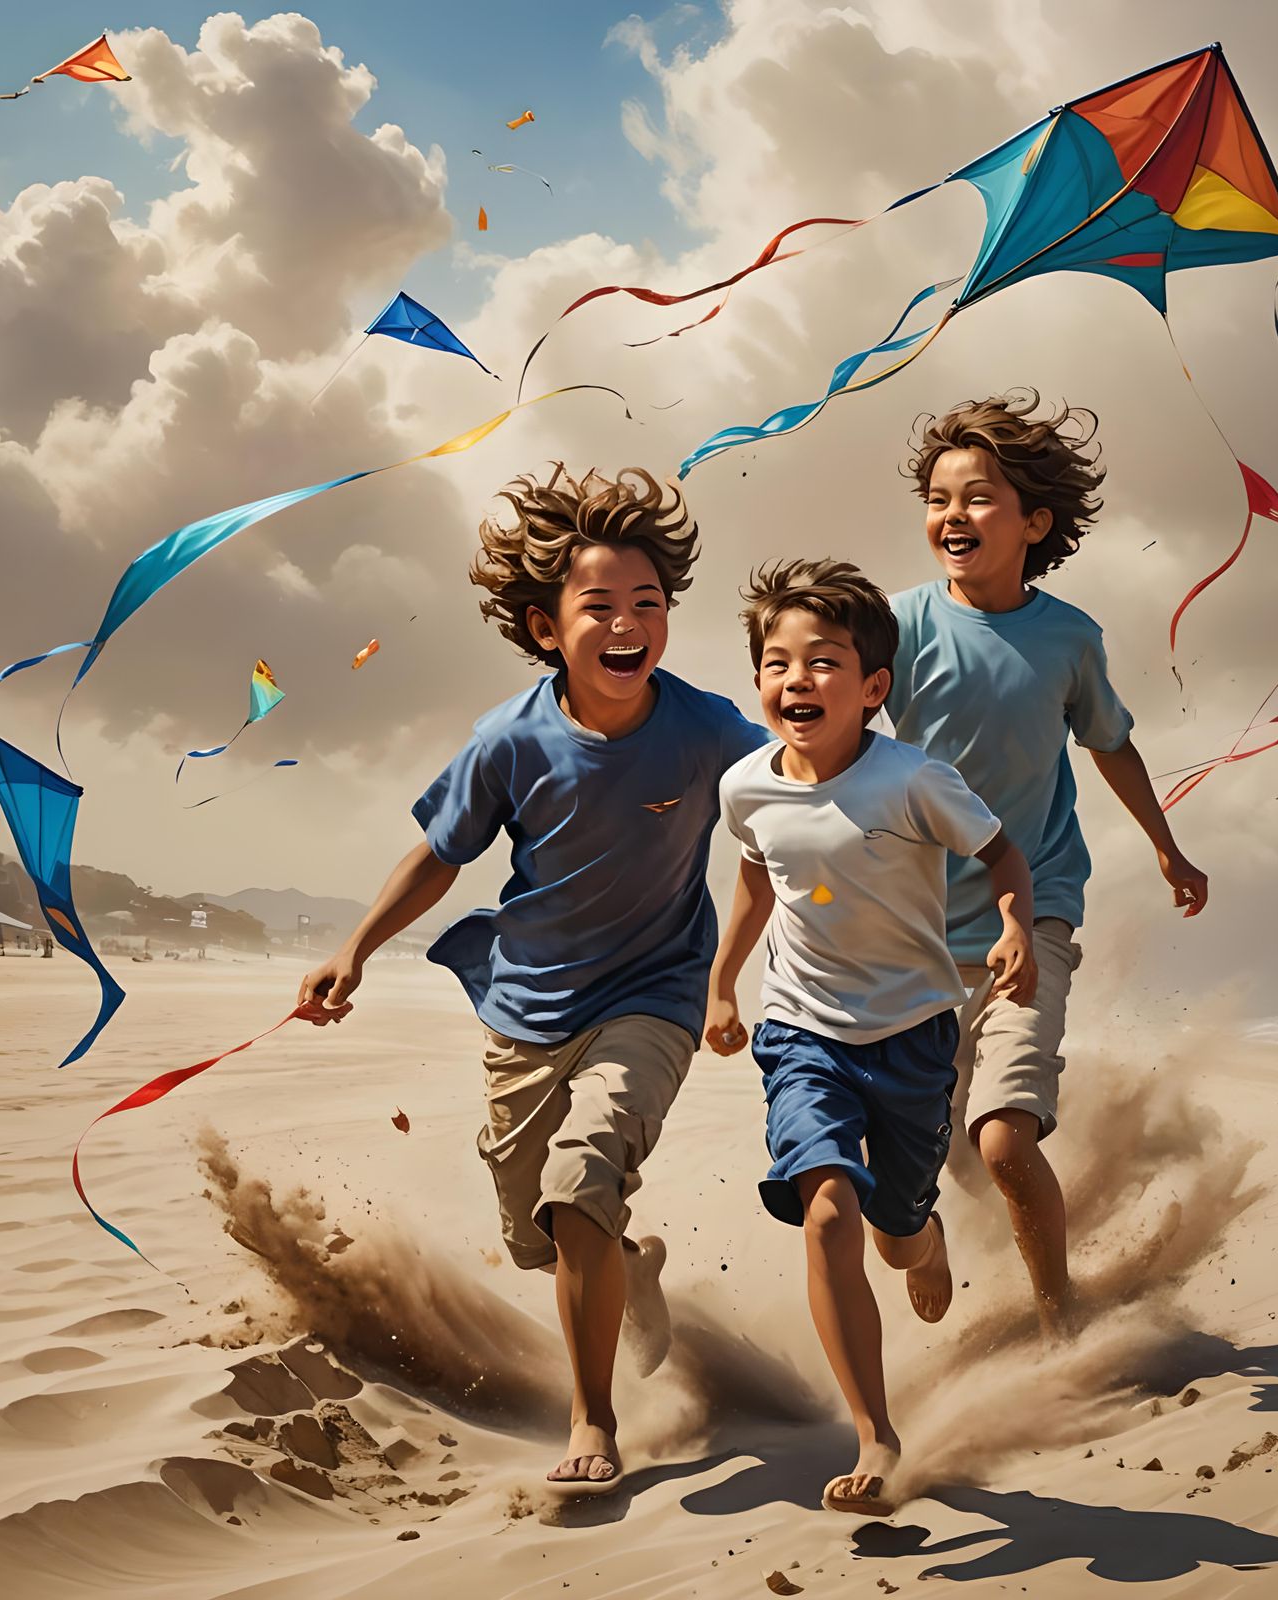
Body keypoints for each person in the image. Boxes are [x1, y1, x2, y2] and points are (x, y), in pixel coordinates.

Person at [298, 465, 762, 1497]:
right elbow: (439, 854)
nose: (628, 623)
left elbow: (797, 782)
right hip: (527, 1010)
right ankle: (627, 1271)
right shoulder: (508, 740)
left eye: (649, 602)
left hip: (655, 998)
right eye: (600, 605)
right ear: (548, 628)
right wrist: (354, 947)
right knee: (539, 1235)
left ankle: (593, 1417)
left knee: (580, 1182)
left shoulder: (706, 729)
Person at [706, 559, 1036, 1517]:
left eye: (823, 661)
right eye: (777, 663)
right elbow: (758, 876)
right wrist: (723, 983)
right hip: (801, 1031)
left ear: (873, 686)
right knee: (825, 1211)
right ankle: (875, 1434)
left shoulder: (914, 779)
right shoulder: (745, 788)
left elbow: (1001, 853)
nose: (796, 680)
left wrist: (1015, 926)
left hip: (913, 1037)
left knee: (892, 1235)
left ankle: (923, 1241)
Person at [886, 391, 1209, 1339]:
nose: (953, 514)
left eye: (978, 497)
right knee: (939, 1152)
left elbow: (1110, 744)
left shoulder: (1069, 638)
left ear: (1034, 522)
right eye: (938, 499)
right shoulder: (895, 626)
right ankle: (939, 1239)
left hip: (1035, 915)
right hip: (910, 933)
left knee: (1003, 1139)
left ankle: (1060, 1324)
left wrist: (1167, 847)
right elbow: (830, 734)